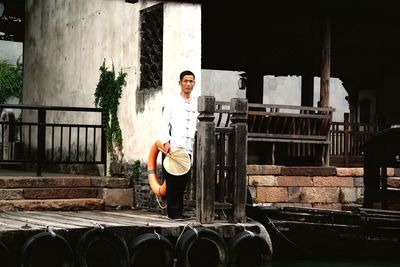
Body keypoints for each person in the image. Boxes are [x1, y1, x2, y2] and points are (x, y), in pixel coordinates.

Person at [159, 70, 198, 220]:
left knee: (183, 182)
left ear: (194, 83)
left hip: (188, 148)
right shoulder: (172, 101)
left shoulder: (195, 102)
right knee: (173, 181)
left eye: (191, 81)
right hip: (174, 147)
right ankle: (173, 213)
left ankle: (179, 211)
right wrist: (166, 141)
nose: (188, 84)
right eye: (186, 81)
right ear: (180, 83)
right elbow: (164, 122)